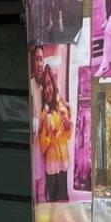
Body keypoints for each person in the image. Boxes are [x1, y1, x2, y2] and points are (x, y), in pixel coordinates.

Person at [36, 67, 72, 202]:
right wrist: (47, 131)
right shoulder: (43, 114)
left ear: (54, 83)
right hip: (51, 168)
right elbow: (43, 147)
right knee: (53, 209)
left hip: (63, 165)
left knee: (64, 203)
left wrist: (68, 126)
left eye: (49, 84)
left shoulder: (62, 106)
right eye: (45, 86)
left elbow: (68, 135)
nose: (47, 89)